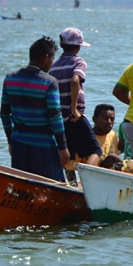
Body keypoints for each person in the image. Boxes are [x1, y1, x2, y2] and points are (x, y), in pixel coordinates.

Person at [0, 36, 69, 182]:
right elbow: (55, 116)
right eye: (52, 59)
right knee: (52, 187)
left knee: (21, 188)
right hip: (43, 146)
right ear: (45, 58)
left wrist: (10, 141)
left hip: (19, 143)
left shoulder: (10, 78)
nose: (52, 63)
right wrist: (63, 147)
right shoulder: (49, 82)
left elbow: (4, 114)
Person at [48, 27, 102, 180]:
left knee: (68, 156)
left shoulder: (54, 66)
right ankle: (88, 181)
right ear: (78, 47)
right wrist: (74, 109)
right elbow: (75, 80)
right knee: (95, 151)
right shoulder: (79, 62)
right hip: (74, 116)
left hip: (60, 118)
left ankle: (70, 184)